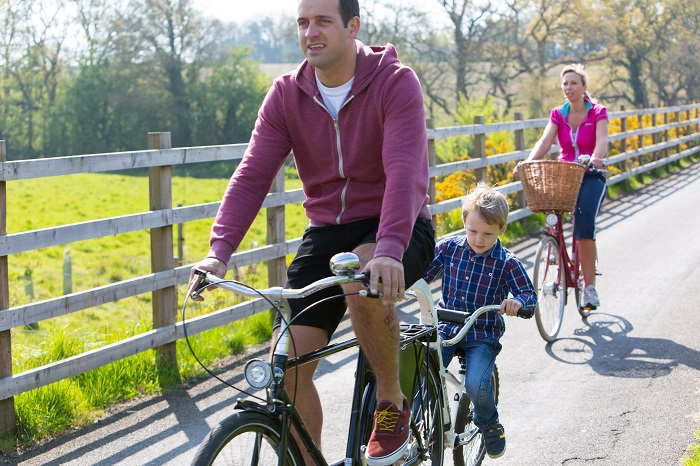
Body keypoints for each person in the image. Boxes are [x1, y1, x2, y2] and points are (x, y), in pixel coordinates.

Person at [188, 0, 435, 465]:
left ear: (352, 26)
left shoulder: (395, 82)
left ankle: (391, 402)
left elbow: (405, 171)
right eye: (303, 22)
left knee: (360, 277)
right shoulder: (286, 94)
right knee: (287, 368)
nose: (310, 32)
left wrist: (388, 249)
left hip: (396, 225)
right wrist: (218, 253)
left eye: (323, 20)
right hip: (326, 230)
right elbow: (253, 174)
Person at [422, 182, 537, 460]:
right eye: (473, 231)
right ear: (464, 222)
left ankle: (488, 423)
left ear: (502, 230)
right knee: (421, 368)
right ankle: (411, 421)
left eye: (487, 233)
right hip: (447, 327)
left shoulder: (506, 262)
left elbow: (528, 295)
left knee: (475, 383)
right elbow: (423, 272)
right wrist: (406, 284)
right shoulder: (449, 247)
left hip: (482, 334)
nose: (478, 239)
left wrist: (517, 302)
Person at [514, 63, 608, 309]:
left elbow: (602, 142)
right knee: (551, 212)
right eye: (565, 83)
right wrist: (527, 162)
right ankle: (556, 246)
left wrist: (596, 159)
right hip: (564, 174)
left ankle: (589, 288)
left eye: (574, 83)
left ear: (584, 87)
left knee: (584, 221)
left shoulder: (598, 112)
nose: (569, 87)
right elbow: (545, 141)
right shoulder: (558, 113)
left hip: (590, 174)